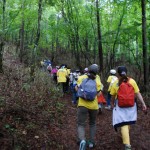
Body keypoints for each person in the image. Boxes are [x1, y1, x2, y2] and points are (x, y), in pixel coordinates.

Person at [110, 66, 147, 150]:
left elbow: (112, 96)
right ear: (126, 72)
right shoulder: (132, 81)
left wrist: (112, 104)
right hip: (131, 106)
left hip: (120, 106)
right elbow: (138, 94)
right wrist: (143, 104)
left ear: (118, 74)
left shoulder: (116, 83)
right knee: (128, 122)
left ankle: (127, 144)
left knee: (123, 124)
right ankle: (125, 136)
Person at [75, 64, 102, 149]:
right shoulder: (97, 79)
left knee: (81, 124)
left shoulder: (81, 77)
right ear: (97, 72)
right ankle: (91, 142)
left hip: (82, 105)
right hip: (94, 106)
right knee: (92, 123)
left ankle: (82, 140)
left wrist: (83, 94)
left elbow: (76, 88)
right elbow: (99, 93)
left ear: (88, 70)